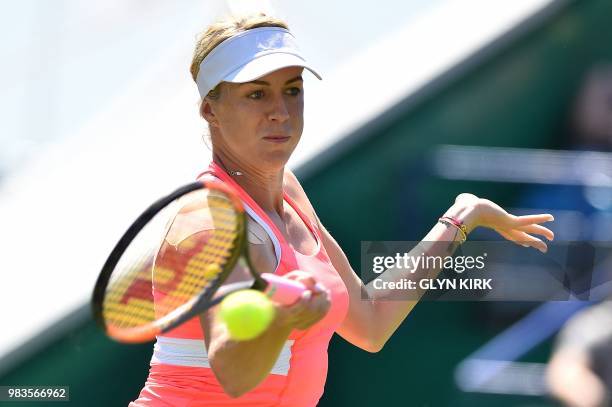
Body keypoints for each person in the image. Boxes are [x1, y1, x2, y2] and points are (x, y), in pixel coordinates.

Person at [130, 13, 555, 407]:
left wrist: (462, 218)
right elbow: (233, 372)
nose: (280, 112)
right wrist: (280, 318)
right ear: (211, 109)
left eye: (291, 91)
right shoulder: (209, 224)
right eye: (256, 94)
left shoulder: (289, 194)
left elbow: (370, 322)